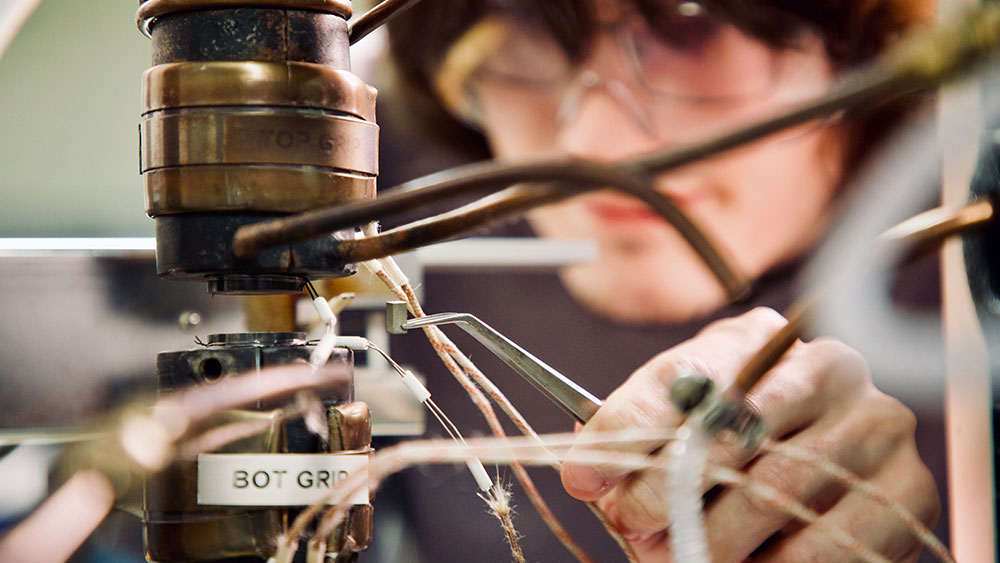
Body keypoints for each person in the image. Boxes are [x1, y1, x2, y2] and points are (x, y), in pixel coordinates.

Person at [374, 1, 941, 561]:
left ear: (860, 50)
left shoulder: (969, 247)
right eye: (529, 26)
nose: (593, 144)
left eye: (691, 27)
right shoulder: (378, 190)